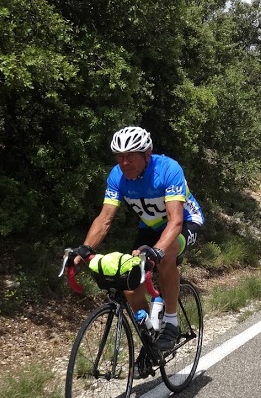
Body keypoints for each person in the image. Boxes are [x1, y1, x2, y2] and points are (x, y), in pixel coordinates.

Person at [73, 126, 204, 354]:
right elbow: (105, 219)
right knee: (127, 276)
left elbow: (174, 221)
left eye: (130, 156)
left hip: (185, 222)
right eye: (120, 157)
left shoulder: (168, 169)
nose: (124, 163)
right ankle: (149, 330)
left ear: (146, 154)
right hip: (151, 228)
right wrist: (85, 248)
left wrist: (157, 251)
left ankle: (171, 323)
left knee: (165, 257)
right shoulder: (117, 176)